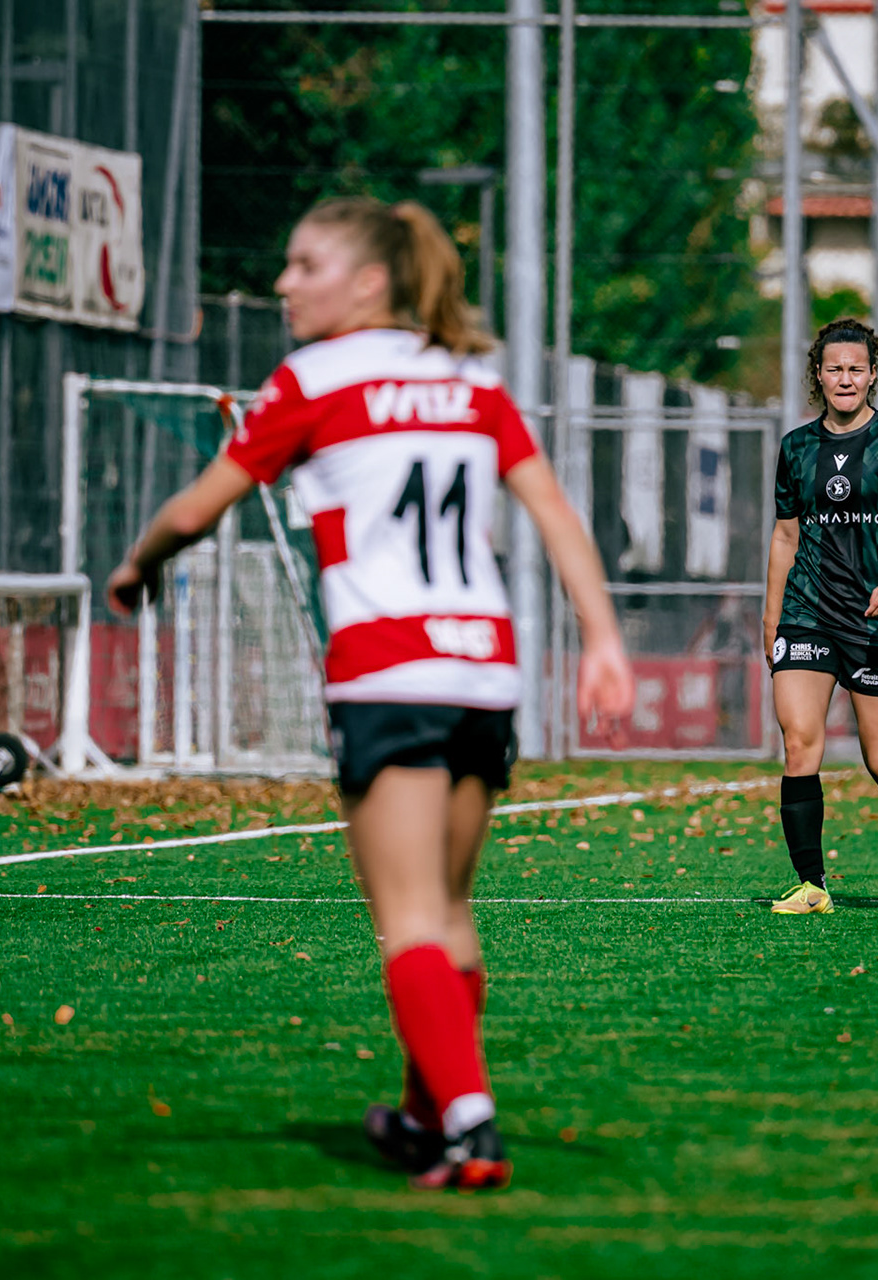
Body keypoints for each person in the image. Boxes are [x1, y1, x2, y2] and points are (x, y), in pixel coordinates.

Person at [107, 196, 633, 1190]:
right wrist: (601, 635)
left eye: (305, 263)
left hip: (389, 671)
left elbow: (199, 504)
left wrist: (138, 562)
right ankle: (427, 1116)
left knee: (410, 918)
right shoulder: (473, 382)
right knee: (449, 909)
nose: (283, 283)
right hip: (483, 666)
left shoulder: (313, 378)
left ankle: (471, 1125)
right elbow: (554, 510)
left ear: (369, 281)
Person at [763, 318, 878, 914]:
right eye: (834, 368)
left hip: (876, 618)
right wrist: (771, 620)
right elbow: (784, 539)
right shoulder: (795, 448)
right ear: (819, 374)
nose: (845, 378)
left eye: (856, 369)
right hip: (806, 612)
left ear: (872, 375)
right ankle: (812, 885)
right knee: (799, 745)